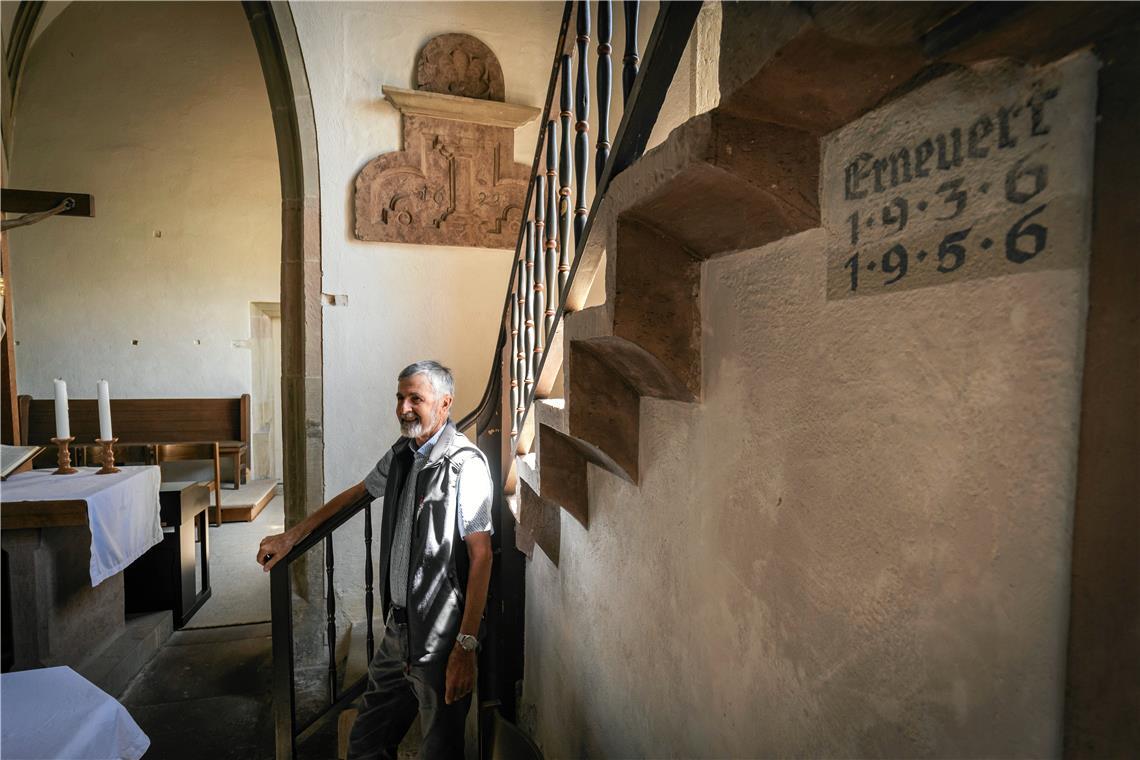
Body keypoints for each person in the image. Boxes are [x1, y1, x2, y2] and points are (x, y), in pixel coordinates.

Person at [257, 360, 494, 760]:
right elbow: (357, 493)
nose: (403, 408)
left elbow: (481, 555)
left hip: (440, 640)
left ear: (445, 403)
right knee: (365, 741)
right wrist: (291, 536)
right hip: (397, 633)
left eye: (415, 398)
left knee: (440, 749)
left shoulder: (464, 465)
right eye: (400, 397)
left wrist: (465, 647)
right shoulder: (403, 454)